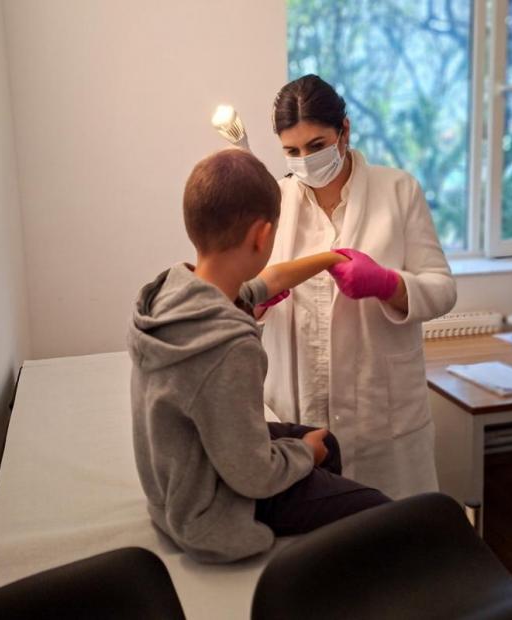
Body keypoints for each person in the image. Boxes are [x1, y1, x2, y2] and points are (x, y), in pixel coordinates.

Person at [128, 148, 390, 563]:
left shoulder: (176, 296)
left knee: (324, 440)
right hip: (208, 510)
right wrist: (306, 454)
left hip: (177, 482)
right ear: (262, 236)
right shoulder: (226, 346)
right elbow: (253, 474)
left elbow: (268, 281)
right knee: (379, 509)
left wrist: (331, 257)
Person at [260, 75, 457, 499]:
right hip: (298, 418)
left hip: (381, 416)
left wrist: (388, 284)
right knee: (313, 532)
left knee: (389, 528)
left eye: (316, 145)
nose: (305, 161)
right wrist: (256, 302)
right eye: (292, 151)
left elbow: (442, 290)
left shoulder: (398, 190)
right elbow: (239, 298)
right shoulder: (273, 201)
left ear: (344, 131)